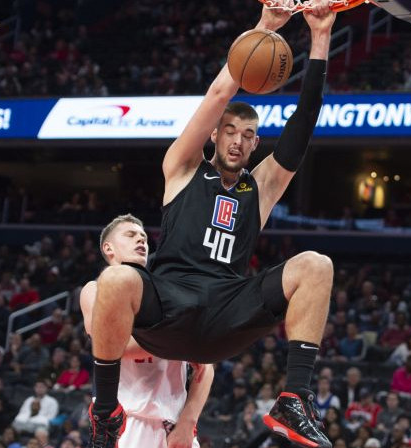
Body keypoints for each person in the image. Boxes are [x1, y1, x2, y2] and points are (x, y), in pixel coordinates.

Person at [88, 3, 337, 448]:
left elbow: (303, 126)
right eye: (230, 131)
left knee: (316, 265)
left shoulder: (260, 187)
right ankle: (107, 412)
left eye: (247, 135)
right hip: (168, 307)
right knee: (118, 278)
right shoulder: (182, 168)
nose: (238, 140)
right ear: (214, 135)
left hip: (226, 312)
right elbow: (217, 96)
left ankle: (294, 399)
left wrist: (320, 35)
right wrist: (264, 28)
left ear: (256, 143)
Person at [80, 214, 212, 448]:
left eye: (143, 237)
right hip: (125, 425)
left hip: (174, 427)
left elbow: (206, 369)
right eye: (130, 235)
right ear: (108, 248)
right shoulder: (95, 289)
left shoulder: (167, 291)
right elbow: (114, 347)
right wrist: (182, 338)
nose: (140, 240)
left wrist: (187, 423)